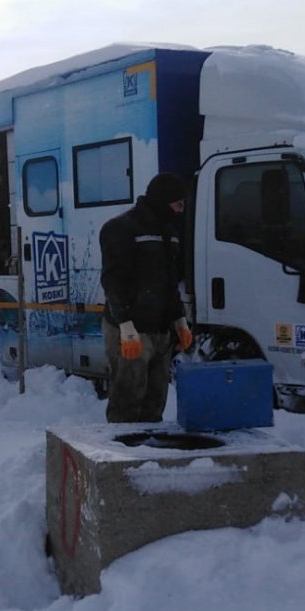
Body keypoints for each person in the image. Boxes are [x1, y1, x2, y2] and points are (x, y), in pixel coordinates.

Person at [99, 172, 195, 423]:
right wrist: (125, 325)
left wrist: (179, 320)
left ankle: (149, 457)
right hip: (131, 330)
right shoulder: (121, 229)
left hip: (160, 330)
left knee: (155, 400)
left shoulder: (169, 234)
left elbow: (169, 282)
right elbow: (113, 281)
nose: (181, 210)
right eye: (178, 204)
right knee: (128, 400)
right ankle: (124, 455)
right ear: (163, 201)